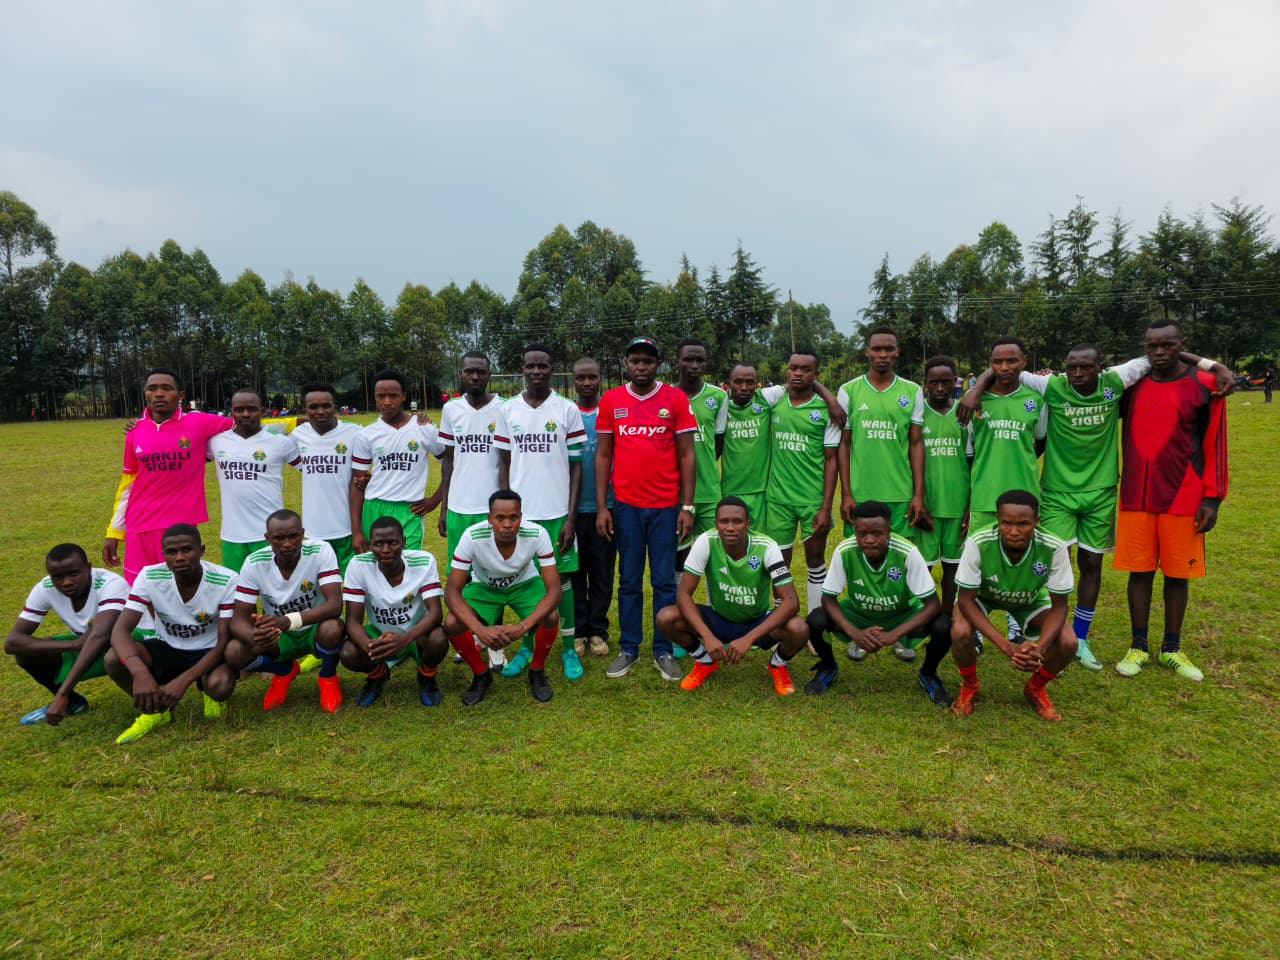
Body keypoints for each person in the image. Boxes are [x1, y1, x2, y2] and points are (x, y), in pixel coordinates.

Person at [961, 342, 1230, 671]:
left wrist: (1211, 364)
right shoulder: (1052, 386)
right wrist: (976, 388)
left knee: (1091, 564)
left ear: (1100, 367)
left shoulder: (1116, 382)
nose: (1077, 373)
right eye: (1071, 366)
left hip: (1101, 491)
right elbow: (1006, 370)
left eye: (1085, 367)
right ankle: (1036, 627)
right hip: (1057, 491)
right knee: (1052, 563)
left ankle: (1081, 639)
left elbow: (1159, 356)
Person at [1113, 321, 1229, 682]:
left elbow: (1216, 443)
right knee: (1140, 571)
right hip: (1137, 494)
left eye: (1168, 345)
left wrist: (1213, 499)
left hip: (1184, 495)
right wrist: (1210, 361)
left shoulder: (1206, 385)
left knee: (1178, 575)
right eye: (1152, 346)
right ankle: (1138, 645)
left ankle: (1172, 648)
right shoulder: (1131, 386)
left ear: (1183, 345)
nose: (1159, 352)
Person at [595, 337, 697, 682]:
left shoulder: (675, 399)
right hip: (626, 508)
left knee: (666, 581)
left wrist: (687, 505)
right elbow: (604, 455)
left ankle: (664, 650)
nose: (641, 367)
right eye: (635, 361)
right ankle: (629, 648)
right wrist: (602, 507)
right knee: (630, 580)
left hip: (667, 507)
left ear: (658, 365)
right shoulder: (612, 400)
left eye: (648, 362)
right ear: (627, 363)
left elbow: (686, 455)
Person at [494, 344, 586, 681]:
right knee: (527, 582)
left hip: (557, 512)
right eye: (530, 366)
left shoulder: (566, 409)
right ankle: (529, 649)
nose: (536, 371)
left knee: (561, 583)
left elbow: (577, 467)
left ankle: (569, 650)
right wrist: (504, 510)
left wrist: (571, 518)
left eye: (543, 366)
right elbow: (504, 462)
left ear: (552, 368)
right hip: (519, 517)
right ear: (522, 368)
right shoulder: (507, 410)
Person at [836, 326, 928, 663]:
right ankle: (862, 634)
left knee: (899, 568)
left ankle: (902, 634)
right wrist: (846, 493)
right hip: (861, 498)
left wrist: (918, 494)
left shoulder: (912, 391)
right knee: (862, 566)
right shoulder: (850, 390)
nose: (883, 355)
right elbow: (844, 444)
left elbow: (916, 443)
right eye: (877, 349)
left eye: (889, 349)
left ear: (898, 352)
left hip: (900, 495)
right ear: (867, 352)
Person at [656, 497, 808, 695]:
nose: (730, 527)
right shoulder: (706, 541)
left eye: (737, 521)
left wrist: (748, 639)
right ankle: (704, 661)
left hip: (757, 620)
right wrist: (707, 637)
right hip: (718, 620)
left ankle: (778, 665)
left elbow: (791, 601)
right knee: (666, 617)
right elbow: (684, 594)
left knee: (799, 628)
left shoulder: (766, 546)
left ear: (748, 524)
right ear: (716, 524)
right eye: (724, 521)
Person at [105, 524, 240, 744]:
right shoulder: (150, 576)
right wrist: (140, 673)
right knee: (113, 659)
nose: (179, 557)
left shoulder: (226, 580)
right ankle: (156, 711)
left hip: (210, 651)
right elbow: (120, 631)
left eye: (187, 550)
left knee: (219, 685)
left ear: (202, 550)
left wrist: (184, 681)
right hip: (167, 648)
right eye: (171, 552)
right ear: (164, 555)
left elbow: (224, 640)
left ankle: (209, 692)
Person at [950, 490, 1077, 721]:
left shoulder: (1054, 547)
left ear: (1037, 522)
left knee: (1068, 642)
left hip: (1029, 599)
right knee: (960, 631)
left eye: (1024, 524)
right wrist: (1008, 647)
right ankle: (970, 685)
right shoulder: (979, 542)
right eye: (1006, 523)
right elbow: (966, 600)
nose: (1014, 531)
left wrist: (1040, 647)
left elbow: (1060, 606)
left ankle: (1035, 688)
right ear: (997, 520)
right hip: (983, 597)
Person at [805, 502, 947, 702]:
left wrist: (894, 634)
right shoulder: (845, 550)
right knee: (816, 620)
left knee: (944, 625)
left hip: (900, 615)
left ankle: (929, 673)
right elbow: (828, 598)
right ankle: (828, 667)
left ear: (889, 531)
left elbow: (933, 605)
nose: (869, 540)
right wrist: (855, 633)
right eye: (862, 533)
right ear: (854, 531)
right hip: (860, 615)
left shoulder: (908, 552)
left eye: (877, 534)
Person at [104, 367, 233, 584]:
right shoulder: (135, 432)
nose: (159, 394)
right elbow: (127, 486)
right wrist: (114, 532)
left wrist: (294, 422)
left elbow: (249, 422)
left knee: (181, 585)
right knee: (140, 589)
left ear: (181, 394)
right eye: (152, 389)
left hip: (180, 526)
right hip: (140, 524)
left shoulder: (199, 423)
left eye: (166, 388)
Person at [444, 490, 564, 705]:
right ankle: (481, 674)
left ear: (521, 516)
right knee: (453, 623)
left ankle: (537, 670)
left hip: (524, 585)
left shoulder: (537, 533)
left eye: (513, 517)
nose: (507, 524)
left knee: (551, 617)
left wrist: (523, 627)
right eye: (500, 518)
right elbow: (452, 592)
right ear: (489, 519)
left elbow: (555, 590)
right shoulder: (472, 536)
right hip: (485, 587)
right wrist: (480, 631)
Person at [228, 510, 345, 713]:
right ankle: (285, 670)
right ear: (267, 539)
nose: (287, 544)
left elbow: (335, 604)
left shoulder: (320, 550)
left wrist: (288, 620)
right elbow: (238, 620)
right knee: (235, 652)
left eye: (293, 536)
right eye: (279, 538)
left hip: (314, 628)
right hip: (279, 635)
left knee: (333, 627)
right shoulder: (254, 563)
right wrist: (255, 634)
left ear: (303, 534)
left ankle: (328, 676)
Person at [7, 544, 133, 726]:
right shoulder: (45, 588)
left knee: (111, 654)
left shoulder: (111, 584)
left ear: (89, 568)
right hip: (87, 644)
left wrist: (62, 693)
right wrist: (73, 645)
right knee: (27, 654)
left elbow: (101, 636)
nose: (66, 582)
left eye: (74, 574)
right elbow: (13, 642)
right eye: (58, 577)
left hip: (132, 642)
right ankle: (74, 704)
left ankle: (153, 704)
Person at [437, 351, 507, 671]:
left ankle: (496, 644)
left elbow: (507, 460)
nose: (475, 377)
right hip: (459, 507)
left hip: (491, 508)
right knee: (462, 578)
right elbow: (448, 460)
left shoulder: (504, 408)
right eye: (469, 372)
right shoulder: (451, 409)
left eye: (480, 372)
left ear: (489, 374)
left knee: (493, 576)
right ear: (461, 374)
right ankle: (471, 638)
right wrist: (443, 507)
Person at [761, 349, 844, 615]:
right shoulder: (774, 400)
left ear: (815, 374)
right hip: (778, 499)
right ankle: (780, 622)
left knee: (816, 562)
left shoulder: (826, 411)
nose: (798, 373)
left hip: (812, 500)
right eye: (793, 368)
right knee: (778, 564)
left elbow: (832, 460)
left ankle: (815, 624)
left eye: (806, 369)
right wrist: (827, 393)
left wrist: (825, 507)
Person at [339, 516, 448, 707]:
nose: (386, 550)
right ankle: (377, 675)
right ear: (370, 545)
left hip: (415, 634)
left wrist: (405, 639)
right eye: (378, 544)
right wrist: (370, 647)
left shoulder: (423, 562)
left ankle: (427, 676)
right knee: (348, 652)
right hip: (379, 635)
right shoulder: (358, 565)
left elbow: (435, 613)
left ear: (404, 542)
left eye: (393, 543)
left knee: (438, 638)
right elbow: (353, 622)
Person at [349, 369, 445, 553]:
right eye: (381, 396)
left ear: (403, 397)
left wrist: (434, 500)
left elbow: (450, 465)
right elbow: (357, 482)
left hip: (410, 509)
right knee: (376, 564)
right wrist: (356, 531)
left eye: (393, 395)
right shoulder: (367, 434)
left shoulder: (425, 429)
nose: (387, 402)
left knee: (409, 563)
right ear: (375, 398)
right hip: (374, 506)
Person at [212, 388, 302, 573]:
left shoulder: (280, 442)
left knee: (275, 589)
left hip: (270, 534)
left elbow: (311, 471)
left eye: (252, 409)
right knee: (235, 591)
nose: (246, 414)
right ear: (231, 413)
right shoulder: (216, 441)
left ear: (262, 411)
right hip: (232, 534)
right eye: (239, 409)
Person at [570, 357, 616, 659]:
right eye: (581, 378)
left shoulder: (610, 410)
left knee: (601, 573)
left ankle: (598, 630)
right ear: (573, 380)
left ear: (600, 378)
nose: (587, 383)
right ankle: (578, 629)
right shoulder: (565, 412)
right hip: (571, 509)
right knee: (574, 573)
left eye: (593, 377)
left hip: (606, 508)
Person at [290, 383, 363, 573]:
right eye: (313, 407)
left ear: (335, 408)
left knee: (352, 584)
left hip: (348, 527)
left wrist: (416, 420)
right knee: (319, 584)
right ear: (305, 410)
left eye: (326, 406)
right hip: (313, 528)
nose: (320, 411)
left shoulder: (355, 432)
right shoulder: (298, 435)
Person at [673, 338, 728, 569]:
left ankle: (712, 604)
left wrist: (700, 464)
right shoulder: (665, 396)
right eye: (689, 360)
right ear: (677, 362)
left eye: (700, 360)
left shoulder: (718, 397)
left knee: (714, 557)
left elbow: (718, 443)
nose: (694, 365)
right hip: (674, 493)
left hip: (708, 492)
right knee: (678, 555)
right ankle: (679, 605)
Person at [720, 363, 773, 532]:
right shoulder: (720, 403)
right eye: (738, 382)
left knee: (758, 542)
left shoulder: (765, 399)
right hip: (730, 489)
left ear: (756, 384)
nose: (744, 387)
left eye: (750, 382)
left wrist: (831, 400)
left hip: (761, 490)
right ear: (729, 383)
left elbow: (797, 383)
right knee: (731, 542)